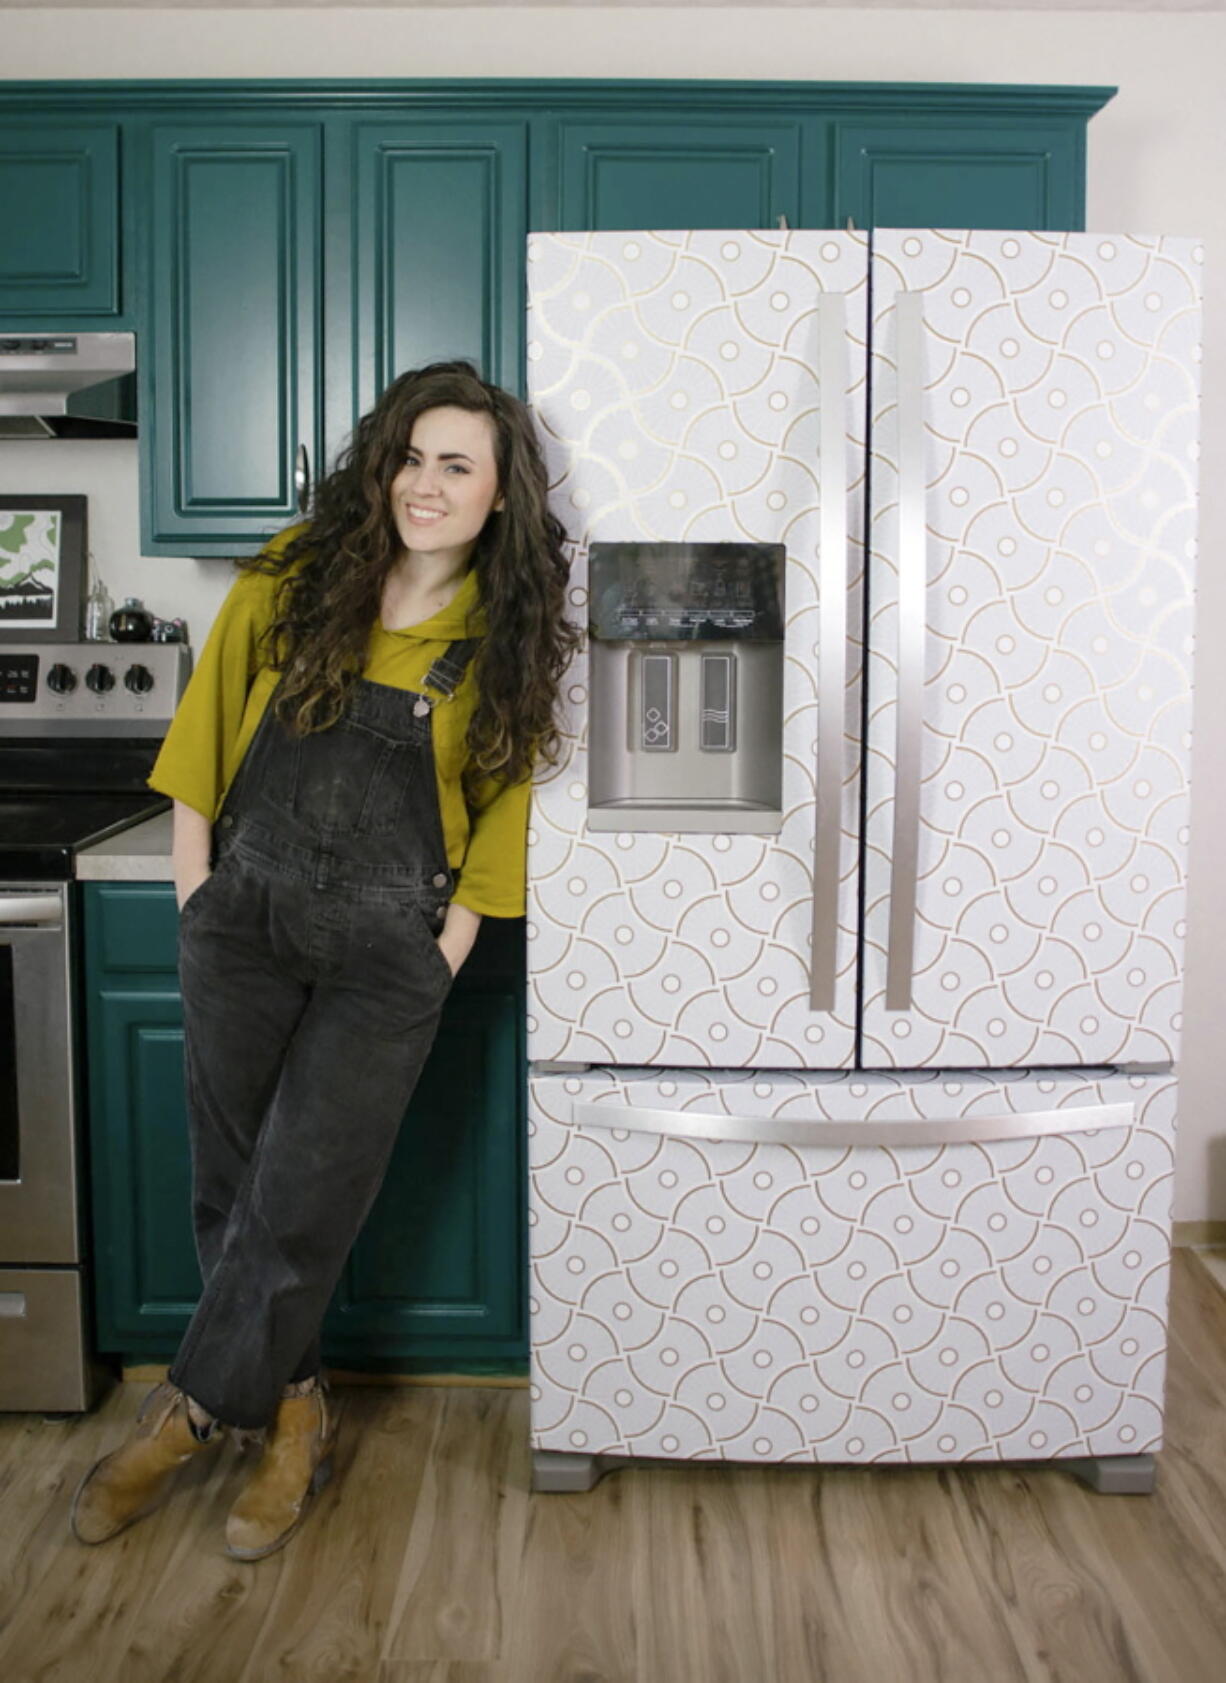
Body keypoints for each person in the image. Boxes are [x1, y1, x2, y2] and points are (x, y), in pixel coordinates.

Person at [70, 360, 578, 1560]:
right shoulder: (293, 584)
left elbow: (501, 809)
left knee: (303, 1198)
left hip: (388, 959)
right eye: (410, 456)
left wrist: (446, 951)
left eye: (456, 465)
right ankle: (296, 1412)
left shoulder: (499, 640)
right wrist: (196, 893)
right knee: (230, 1189)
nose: (424, 484)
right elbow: (203, 729)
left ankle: (188, 1416)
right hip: (240, 922)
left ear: (500, 495)